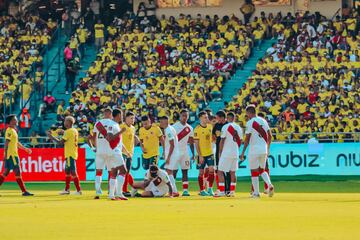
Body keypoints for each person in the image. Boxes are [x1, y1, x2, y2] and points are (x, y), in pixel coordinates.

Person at [240, 105, 274, 198]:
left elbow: (247, 139)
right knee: (262, 170)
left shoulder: (250, 123)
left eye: (247, 113)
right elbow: (270, 135)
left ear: (249, 113)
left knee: (254, 171)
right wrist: (268, 148)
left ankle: (256, 193)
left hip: (254, 150)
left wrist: (243, 152)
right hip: (264, 149)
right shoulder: (263, 121)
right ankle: (269, 184)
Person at [47, 116, 82, 195]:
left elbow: (60, 143)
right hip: (73, 153)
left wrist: (51, 137)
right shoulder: (74, 130)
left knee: (73, 172)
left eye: (65, 121)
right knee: (67, 171)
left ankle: (78, 190)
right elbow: (69, 136)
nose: (64, 122)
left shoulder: (68, 131)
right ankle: (67, 189)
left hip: (70, 154)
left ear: (69, 122)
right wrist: (63, 132)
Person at [0, 115, 33, 196]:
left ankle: (24, 191)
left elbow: (17, 143)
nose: (16, 120)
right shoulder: (9, 130)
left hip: (11, 155)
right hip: (12, 155)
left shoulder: (13, 130)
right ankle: (24, 191)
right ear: (10, 122)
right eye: (15, 119)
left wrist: (25, 149)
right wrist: (5, 154)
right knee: (17, 173)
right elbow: (6, 143)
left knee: (5, 173)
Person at [105, 108, 131, 200]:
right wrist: (120, 132)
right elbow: (109, 138)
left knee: (114, 172)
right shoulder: (112, 125)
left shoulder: (115, 124)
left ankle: (111, 195)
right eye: (122, 115)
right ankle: (119, 193)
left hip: (115, 150)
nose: (123, 116)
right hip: (114, 151)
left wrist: (126, 151)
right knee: (123, 170)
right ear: (119, 115)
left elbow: (118, 140)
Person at [214, 112, 243, 197]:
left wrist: (220, 153)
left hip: (226, 153)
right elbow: (240, 141)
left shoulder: (225, 127)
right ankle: (232, 191)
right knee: (233, 172)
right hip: (235, 152)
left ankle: (222, 191)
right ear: (234, 118)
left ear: (227, 118)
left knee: (220, 171)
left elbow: (222, 141)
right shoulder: (239, 128)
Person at [89, 107, 114, 199]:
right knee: (111, 172)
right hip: (110, 150)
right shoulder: (113, 123)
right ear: (111, 114)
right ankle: (110, 192)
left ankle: (98, 192)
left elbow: (93, 137)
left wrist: (96, 147)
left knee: (99, 172)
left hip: (100, 151)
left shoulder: (98, 123)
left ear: (104, 114)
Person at [172, 109, 195, 196]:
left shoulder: (190, 128)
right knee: (174, 172)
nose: (185, 117)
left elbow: (191, 142)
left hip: (185, 152)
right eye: (183, 116)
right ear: (180, 116)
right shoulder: (174, 127)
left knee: (185, 171)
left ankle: (185, 190)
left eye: (187, 116)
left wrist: (192, 153)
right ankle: (173, 190)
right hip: (175, 152)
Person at [194, 111, 215, 196]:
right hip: (201, 154)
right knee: (201, 173)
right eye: (205, 117)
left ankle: (210, 188)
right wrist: (200, 155)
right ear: (200, 118)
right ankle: (202, 190)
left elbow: (213, 137)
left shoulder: (210, 127)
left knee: (211, 170)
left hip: (210, 153)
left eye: (207, 117)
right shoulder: (197, 129)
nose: (207, 119)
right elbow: (196, 144)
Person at [159, 115, 180, 197]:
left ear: (166, 121)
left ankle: (174, 191)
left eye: (161, 121)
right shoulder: (171, 128)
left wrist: (168, 157)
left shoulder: (168, 130)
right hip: (175, 153)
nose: (160, 123)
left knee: (169, 172)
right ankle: (174, 190)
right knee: (169, 171)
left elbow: (172, 144)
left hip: (172, 154)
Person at [120, 111, 138, 196]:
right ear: (126, 118)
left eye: (133, 118)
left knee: (127, 171)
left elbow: (132, 139)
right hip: (122, 152)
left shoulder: (133, 128)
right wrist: (126, 151)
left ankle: (130, 188)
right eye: (131, 118)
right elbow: (119, 141)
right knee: (123, 171)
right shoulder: (121, 127)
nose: (133, 120)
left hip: (130, 153)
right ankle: (124, 189)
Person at [212, 110, 229, 192]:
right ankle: (222, 188)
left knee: (228, 170)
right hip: (218, 150)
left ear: (222, 117)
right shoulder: (216, 125)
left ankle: (228, 189)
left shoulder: (228, 125)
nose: (216, 119)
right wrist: (216, 141)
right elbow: (213, 135)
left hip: (227, 149)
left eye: (217, 118)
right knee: (220, 169)